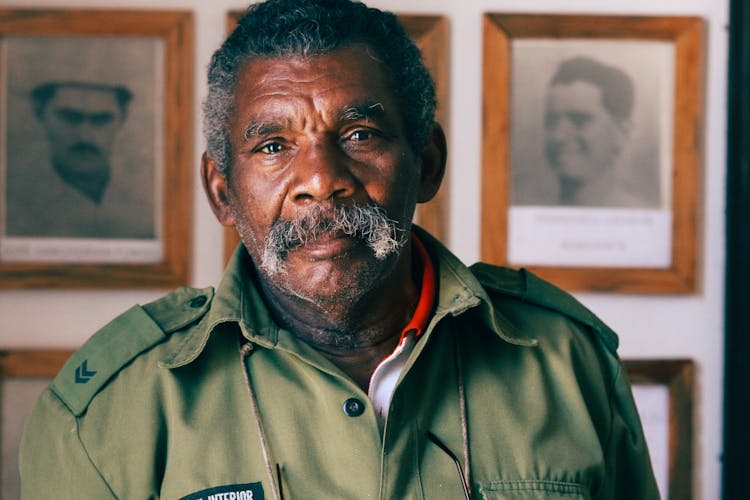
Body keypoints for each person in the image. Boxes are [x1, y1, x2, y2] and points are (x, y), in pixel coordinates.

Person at [19, 1, 659, 498]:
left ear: (427, 163)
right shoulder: (108, 408)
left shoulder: (568, 363)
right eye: (273, 145)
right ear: (222, 192)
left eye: (359, 132)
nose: (323, 178)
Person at [5, 80, 154, 239]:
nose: (85, 136)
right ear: (40, 113)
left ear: (123, 117)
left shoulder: (147, 205)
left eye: (101, 120)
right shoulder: (12, 207)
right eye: (70, 118)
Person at [542, 56, 649, 208]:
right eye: (551, 122)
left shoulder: (641, 217)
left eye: (579, 120)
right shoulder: (532, 219)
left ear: (621, 133)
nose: (558, 136)